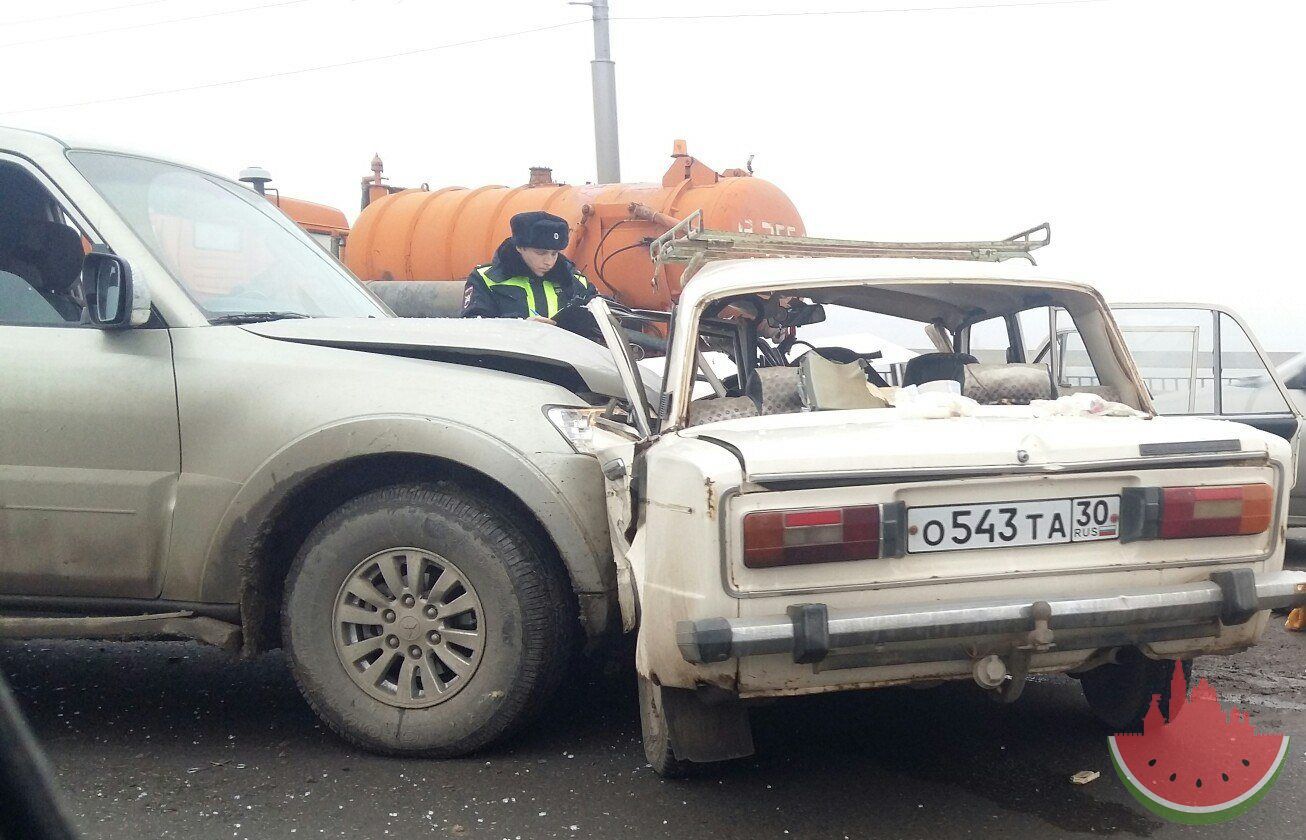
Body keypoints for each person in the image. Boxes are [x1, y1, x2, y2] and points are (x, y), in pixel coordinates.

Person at [461, 211, 597, 322]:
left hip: (566, 355)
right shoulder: (485, 279)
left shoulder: (573, 280)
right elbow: (472, 328)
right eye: (540, 253)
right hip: (513, 354)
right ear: (519, 247)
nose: (548, 261)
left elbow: (603, 316)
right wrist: (522, 328)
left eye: (554, 254)